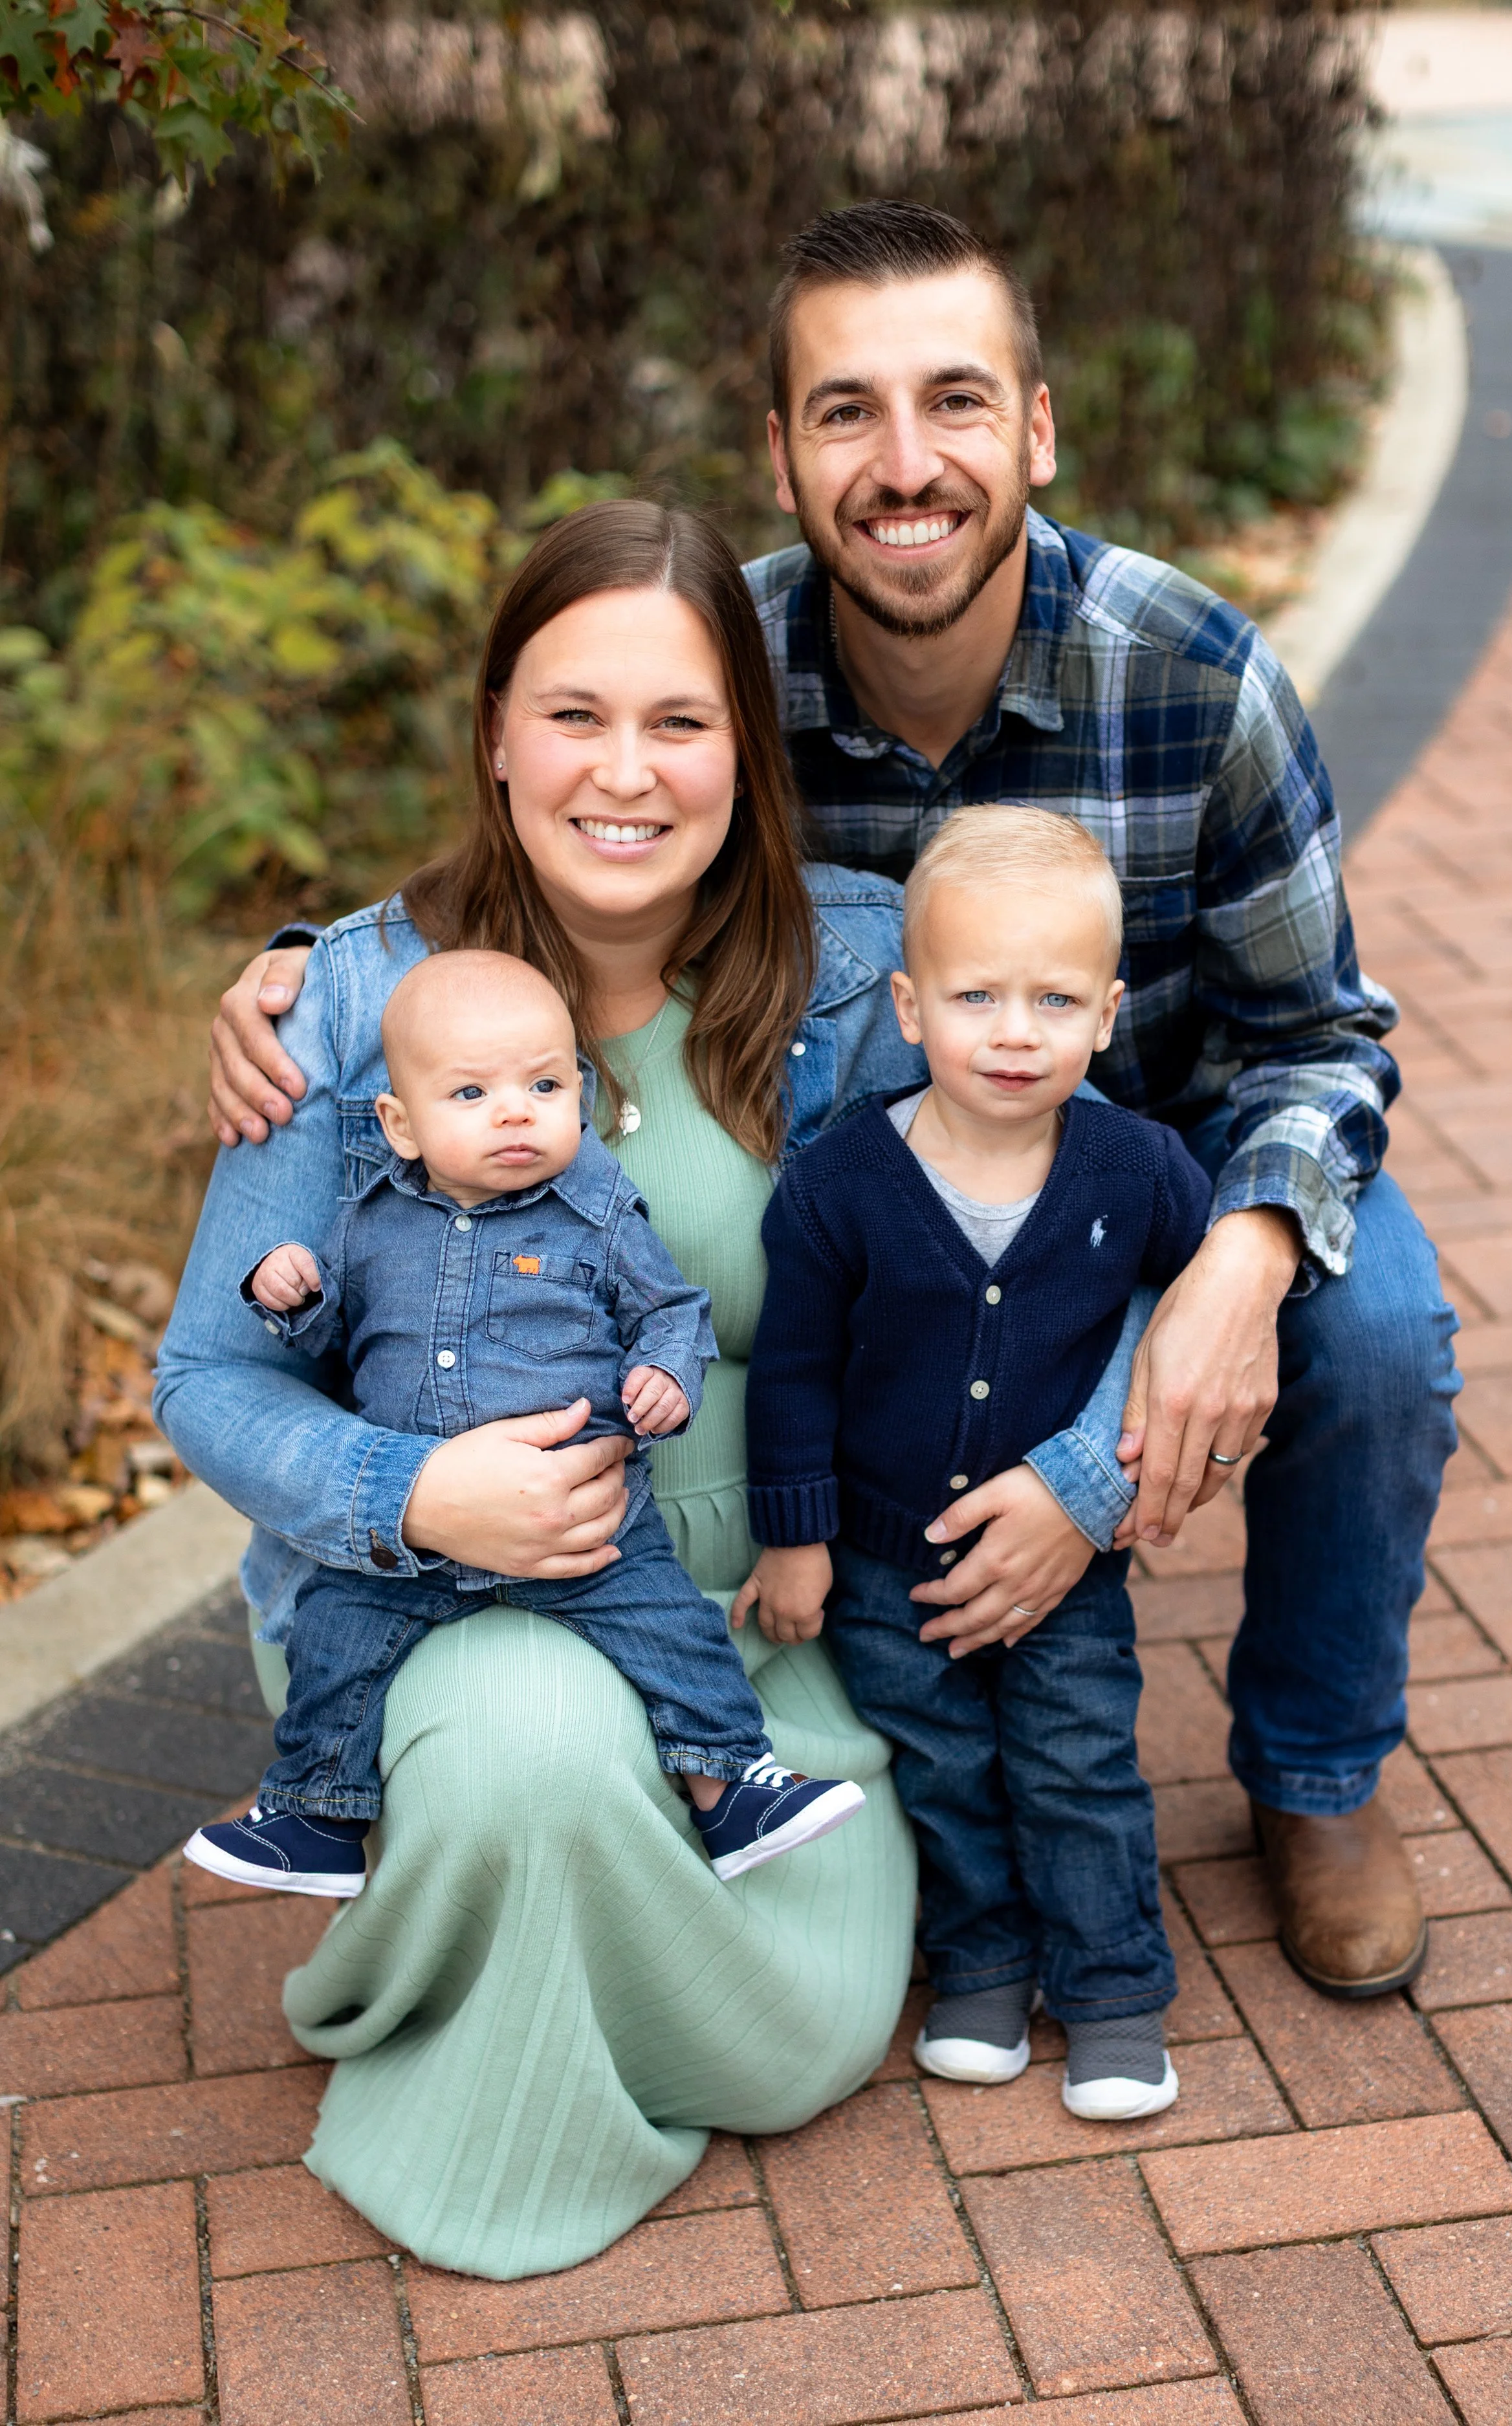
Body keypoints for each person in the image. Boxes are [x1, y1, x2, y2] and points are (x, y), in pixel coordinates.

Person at [206, 199, 1462, 2000]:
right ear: (778, 454)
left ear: (1034, 427)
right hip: (908, 1168)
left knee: (1385, 1332)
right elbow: (556, 834)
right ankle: (881, 1665)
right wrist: (309, 967)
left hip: (1166, 1147)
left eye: (953, 401)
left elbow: (1323, 1036)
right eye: (844, 411)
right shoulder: (735, 676)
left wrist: (1244, 1252)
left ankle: (1314, 1770)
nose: (903, 463)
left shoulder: (1192, 676)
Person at [156, 499, 1136, 2277]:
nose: (628, 771)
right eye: (574, 713)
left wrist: (1092, 1457)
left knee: (805, 2028)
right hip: (449, 1597)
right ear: (495, 737)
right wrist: (405, 1488)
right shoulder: (354, 1002)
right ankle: (461, 1933)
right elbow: (211, 1371)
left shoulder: (851, 975)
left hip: (773, 1622)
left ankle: (582, 1916)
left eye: (681, 720)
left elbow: (1079, 1221)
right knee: (529, 1752)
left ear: (744, 753)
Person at [184, 948, 862, 1899]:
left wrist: (666, 1370)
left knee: (672, 1632)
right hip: (416, 1541)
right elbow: (326, 1324)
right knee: (334, 1638)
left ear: (578, 1096)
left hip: (589, 1530)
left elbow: (669, 1308)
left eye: (543, 1083)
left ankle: (732, 1785)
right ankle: (315, 1813)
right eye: (470, 1092)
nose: (514, 1109)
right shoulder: (370, 1219)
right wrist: (285, 1288)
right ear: (400, 1124)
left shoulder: (597, 1213)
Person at [740, 806, 1213, 2119]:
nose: (1014, 1031)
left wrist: (1131, 1470)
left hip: (1066, 1571)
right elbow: (790, 1371)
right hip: (886, 1564)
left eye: (1053, 999)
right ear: (906, 1006)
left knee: (1074, 1766)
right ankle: (983, 1973)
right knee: (943, 1773)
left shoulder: (1137, 1168)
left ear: (1107, 1015)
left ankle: (1113, 1994)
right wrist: (795, 1539)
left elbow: (1201, 1304)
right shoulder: (838, 1184)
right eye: (975, 996)